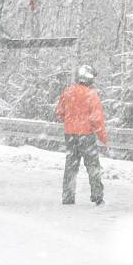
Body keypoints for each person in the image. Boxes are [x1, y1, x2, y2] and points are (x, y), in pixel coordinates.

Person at [56, 64, 107, 205]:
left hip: (70, 135)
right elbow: (97, 119)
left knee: (71, 167)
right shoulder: (91, 95)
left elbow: (60, 113)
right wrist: (103, 138)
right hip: (87, 135)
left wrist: (70, 121)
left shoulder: (67, 92)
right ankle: (97, 196)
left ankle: (68, 196)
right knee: (93, 166)